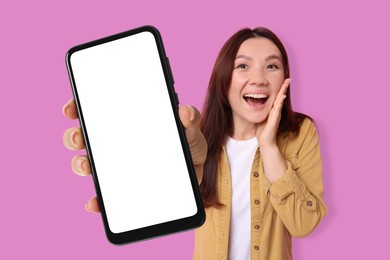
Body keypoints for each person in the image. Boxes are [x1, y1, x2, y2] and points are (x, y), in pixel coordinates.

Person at [63, 27, 327, 260]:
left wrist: (269, 147)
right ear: (224, 79)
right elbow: (162, 200)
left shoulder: (300, 133)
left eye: (272, 66)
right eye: (243, 66)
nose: (258, 78)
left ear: (285, 79)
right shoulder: (196, 137)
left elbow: (304, 225)